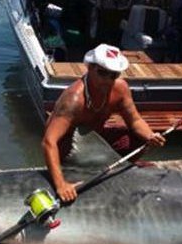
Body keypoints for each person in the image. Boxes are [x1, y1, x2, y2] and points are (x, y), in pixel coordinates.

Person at [42, 44, 166, 203]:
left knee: (140, 139)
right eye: (102, 73)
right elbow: (48, 141)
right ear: (90, 67)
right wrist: (60, 185)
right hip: (67, 148)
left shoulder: (120, 88)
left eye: (113, 75)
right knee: (60, 150)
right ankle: (71, 171)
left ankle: (120, 167)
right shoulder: (74, 99)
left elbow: (135, 120)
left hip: (93, 140)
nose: (107, 80)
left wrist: (151, 136)